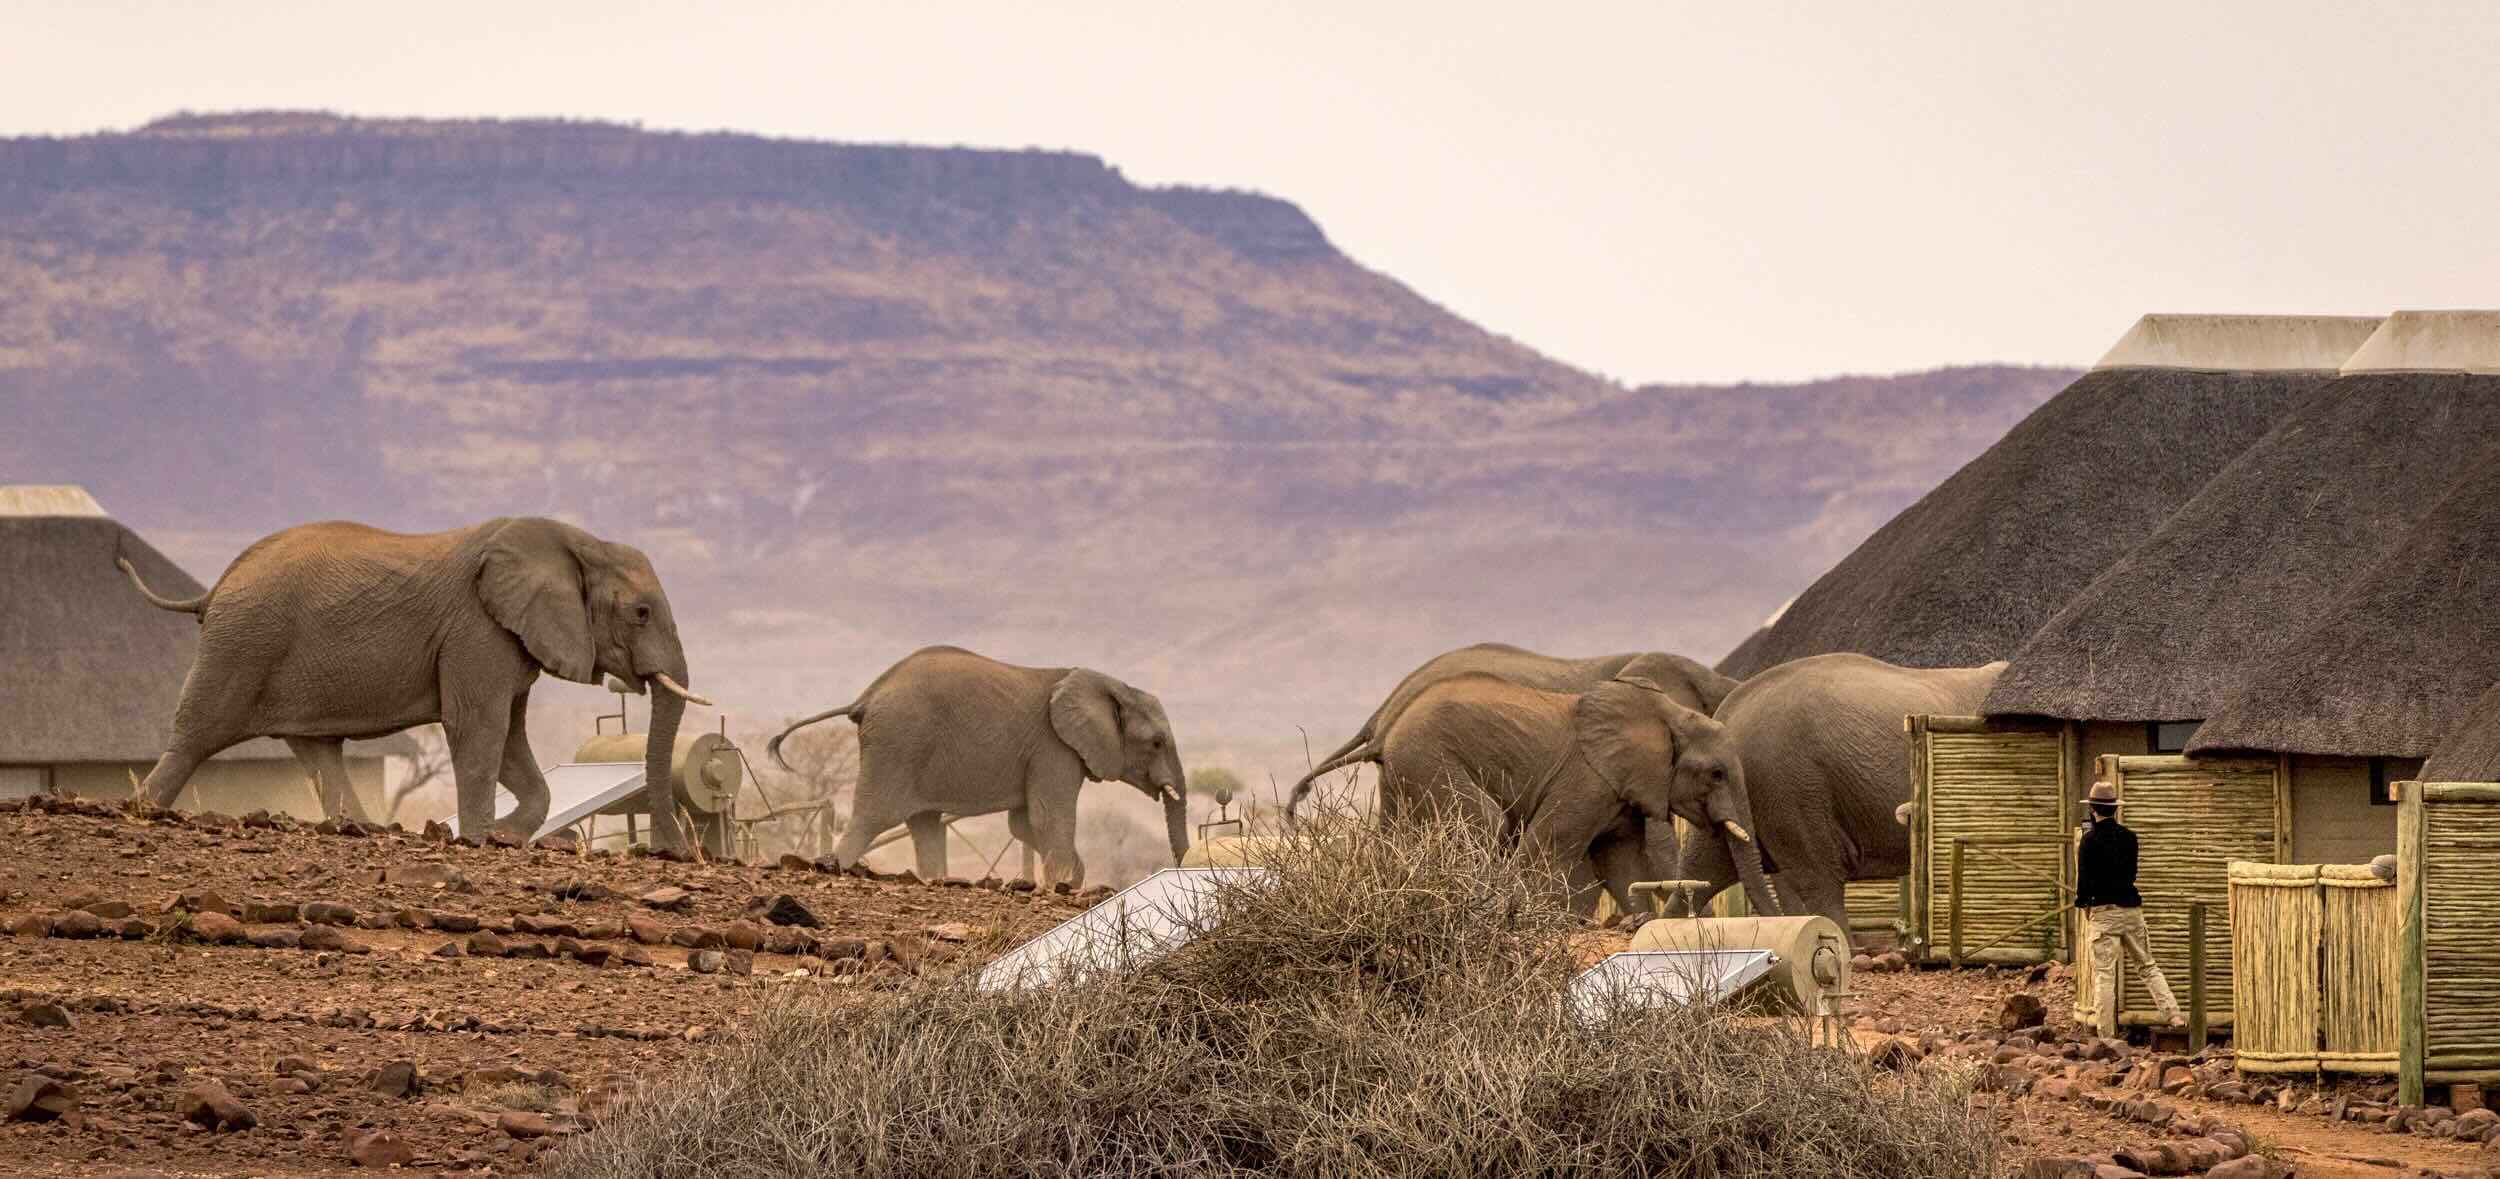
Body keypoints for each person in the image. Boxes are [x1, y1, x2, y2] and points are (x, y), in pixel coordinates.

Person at [2075, 779, 2185, 1035]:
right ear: (2115, 808)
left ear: (2092, 808)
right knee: (2147, 965)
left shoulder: (2088, 841)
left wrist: (2086, 909)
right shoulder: (2130, 838)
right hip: (2131, 910)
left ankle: (2106, 1035)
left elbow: (2084, 884)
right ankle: (2173, 1015)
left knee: (2104, 975)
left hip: (2103, 912)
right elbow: (2132, 873)